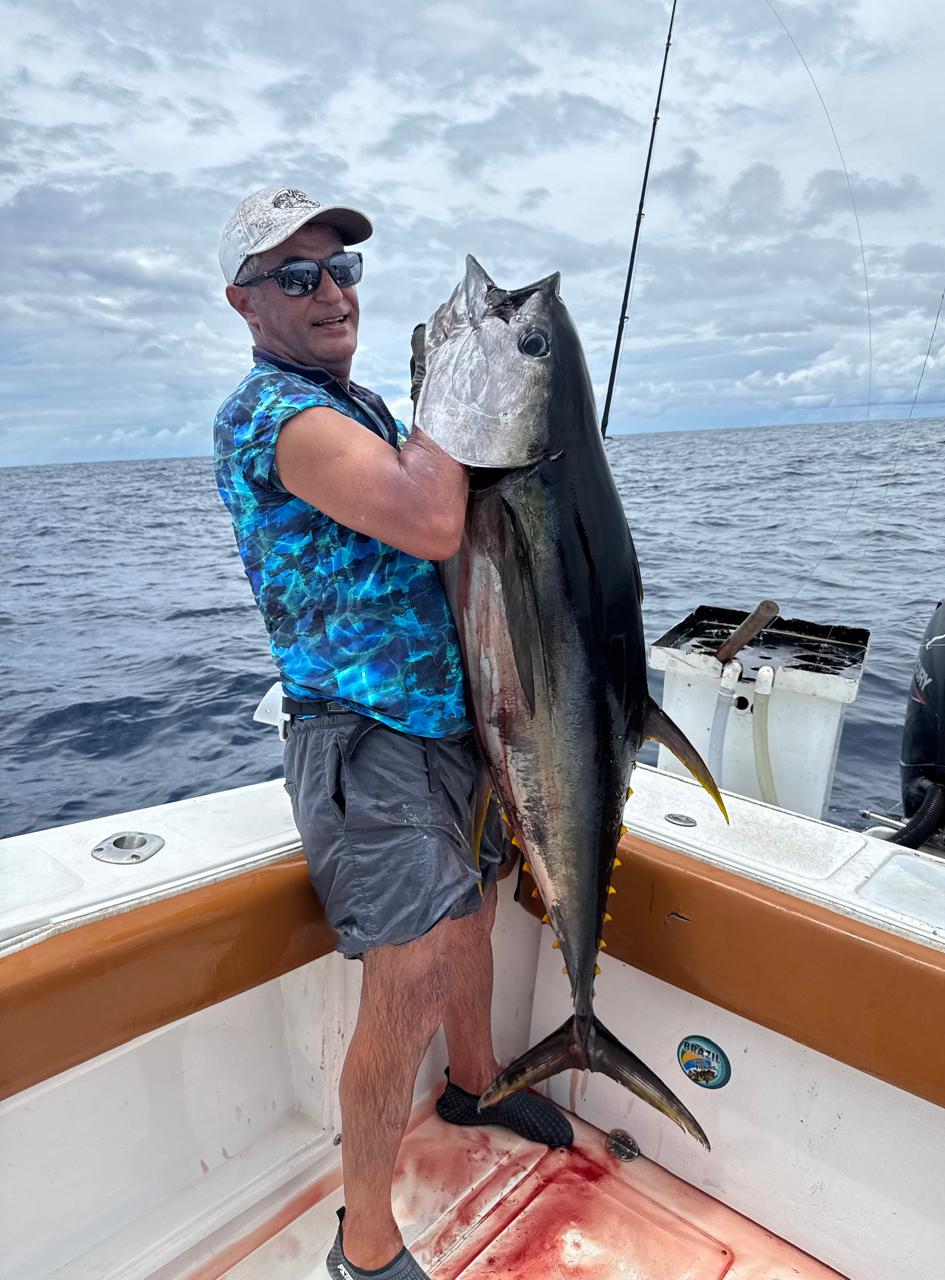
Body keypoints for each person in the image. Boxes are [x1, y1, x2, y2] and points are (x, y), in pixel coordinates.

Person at [214, 186, 572, 1280]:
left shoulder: (362, 403)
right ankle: (361, 1240)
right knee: (411, 968)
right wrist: (462, 393)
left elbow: (456, 534)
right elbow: (427, 516)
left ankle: (476, 1081)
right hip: (361, 734)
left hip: (449, 722)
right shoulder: (275, 415)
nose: (331, 292)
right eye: (297, 275)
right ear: (246, 302)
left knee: (472, 918)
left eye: (342, 271)